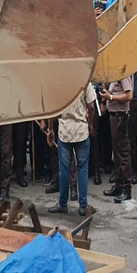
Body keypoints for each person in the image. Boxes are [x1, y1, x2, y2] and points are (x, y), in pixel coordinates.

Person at [48, 83, 96, 216]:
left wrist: (51, 129)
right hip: (81, 130)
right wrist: (90, 124)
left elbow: (53, 109)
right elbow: (91, 106)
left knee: (64, 169)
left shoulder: (61, 83)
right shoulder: (85, 81)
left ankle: (63, 204)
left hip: (65, 132)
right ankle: (83, 205)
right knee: (82, 168)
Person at [102, 76, 133, 203]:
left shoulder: (123, 74)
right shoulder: (116, 75)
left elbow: (129, 95)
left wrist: (111, 97)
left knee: (122, 152)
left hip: (120, 116)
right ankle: (119, 185)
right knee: (117, 153)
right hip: (115, 116)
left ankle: (126, 188)